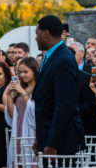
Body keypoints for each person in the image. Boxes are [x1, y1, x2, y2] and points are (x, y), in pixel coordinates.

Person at [32, 15, 85, 157]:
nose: (36, 37)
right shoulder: (52, 56)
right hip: (48, 136)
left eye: (37, 33)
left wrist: (52, 143)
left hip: (61, 144)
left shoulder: (63, 59)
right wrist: (40, 136)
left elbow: (64, 105)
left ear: (46, 33)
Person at [3, 57, 38, 168]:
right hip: (18, 129)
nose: (22, 75)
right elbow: (12, 116)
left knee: (32, 166)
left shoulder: (39, 89)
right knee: (19, 164)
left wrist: (24, 94)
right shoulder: (21, 89)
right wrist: (9, 95)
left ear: (34, 70)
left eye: (26, 72)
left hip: (32, 130)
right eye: (20, 72)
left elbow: (34, 113)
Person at [66, 47, 96, 136]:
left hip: (86, 132)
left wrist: (67, 110)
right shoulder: (56, 79)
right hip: (64, 132)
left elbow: (90, 106)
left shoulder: (87, 78)